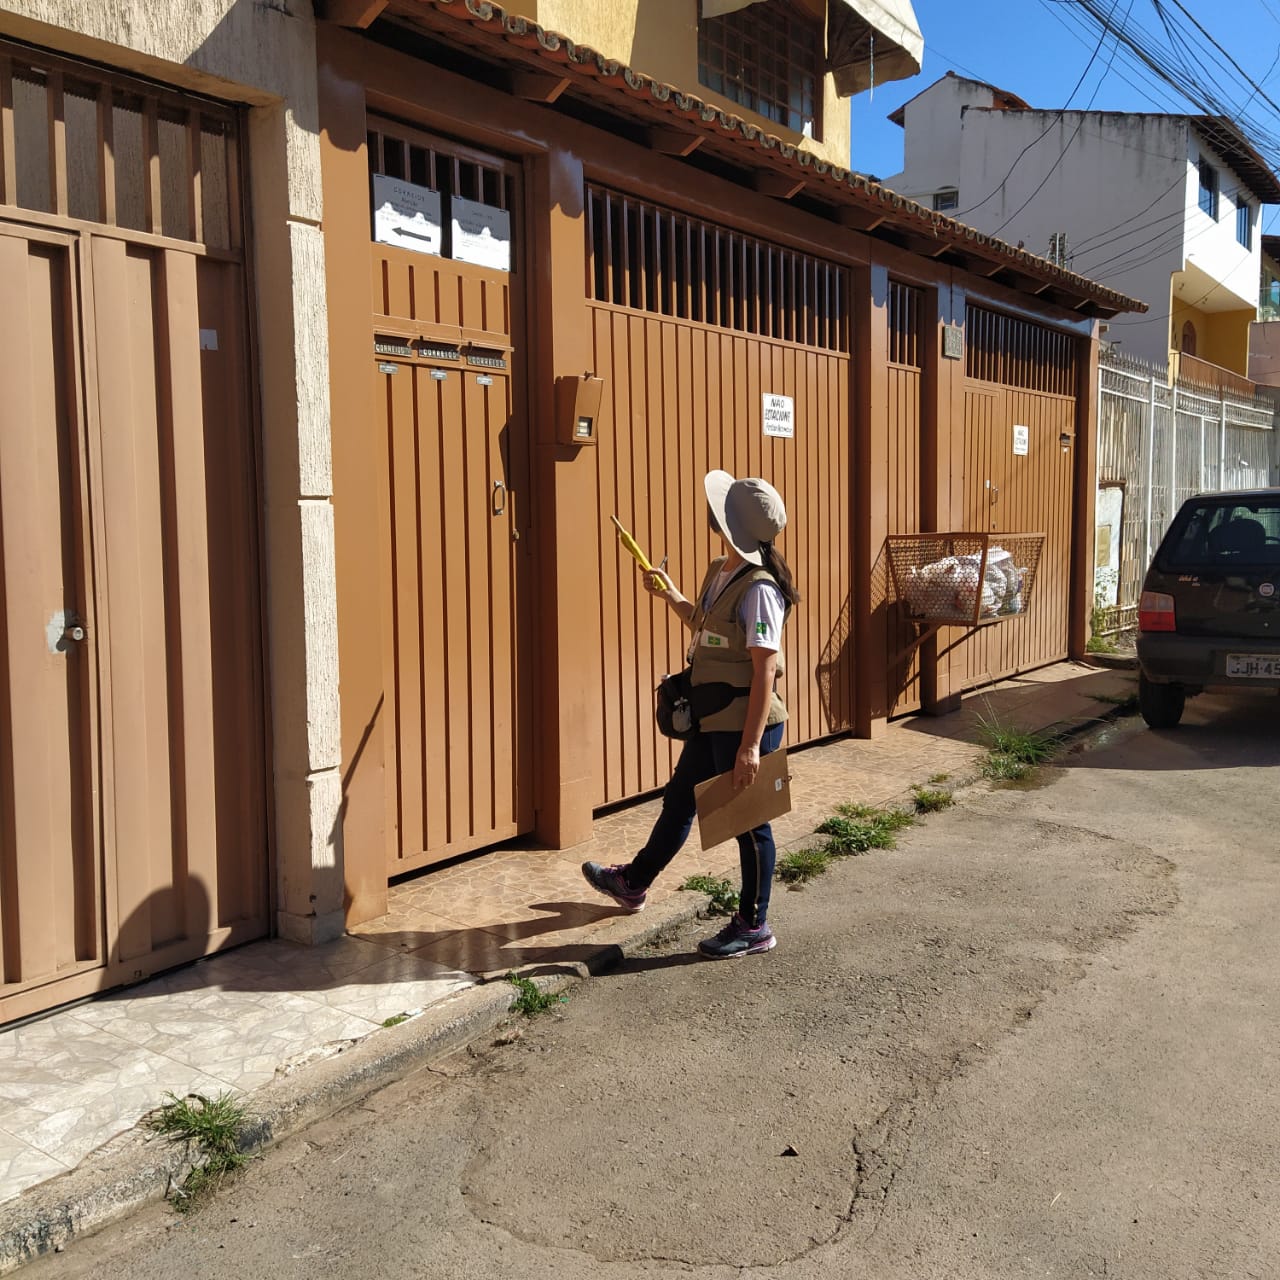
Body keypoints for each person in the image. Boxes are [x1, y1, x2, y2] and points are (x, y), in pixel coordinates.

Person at [582, 470, 800, 958]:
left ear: (731, 524)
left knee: (750, 825)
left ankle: (754, 925)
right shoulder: (721, 570)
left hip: (746, 725)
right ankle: (634, 883)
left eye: (720, 508)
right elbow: (707, 630)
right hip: (714, 717)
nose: (710, 511)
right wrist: (671, 595)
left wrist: (749, 748)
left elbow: (764, 670)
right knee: (680, 799)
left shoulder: (760, 589)